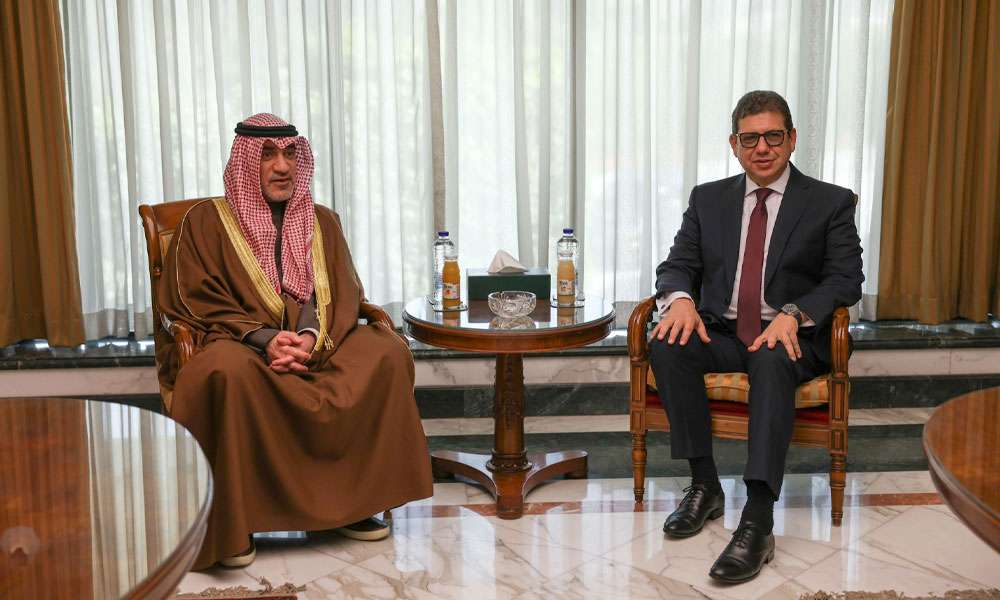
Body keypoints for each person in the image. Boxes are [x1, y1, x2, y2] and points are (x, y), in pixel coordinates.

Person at [156, 113, 433, 570]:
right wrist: (265, 338)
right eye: (267, 155)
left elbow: (340, 290)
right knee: (224, 371)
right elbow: (194, 297)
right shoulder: (204, 221)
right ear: (245, 161)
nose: (282, 166)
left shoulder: (322, 220)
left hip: (319, 339)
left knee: (385, 352)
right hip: (240, 341)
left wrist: (307, 336)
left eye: (289, 154)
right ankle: (234, 521)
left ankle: (351, 504)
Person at [649, 91, 863, 583]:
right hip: (725, 332)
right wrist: (679, 299)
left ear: (791, 139)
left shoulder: (830, 202)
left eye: (772, 136)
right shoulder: (708, 199)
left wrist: (795, 312)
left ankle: (758, 518)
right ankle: (705, 485)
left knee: (770, 356)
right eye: (750, 139)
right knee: (669, 341)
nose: (762, 147)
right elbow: (677, 264)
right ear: (734, 144)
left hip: (794, 339)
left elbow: (846, 279)